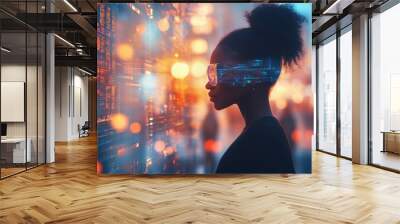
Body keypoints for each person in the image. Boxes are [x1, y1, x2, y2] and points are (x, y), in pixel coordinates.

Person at [205, 4, 305, 173]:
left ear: (251, 74)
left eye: (218, 71)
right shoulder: (263, 134)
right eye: (211, 72)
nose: (209, 83)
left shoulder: (263, 140)